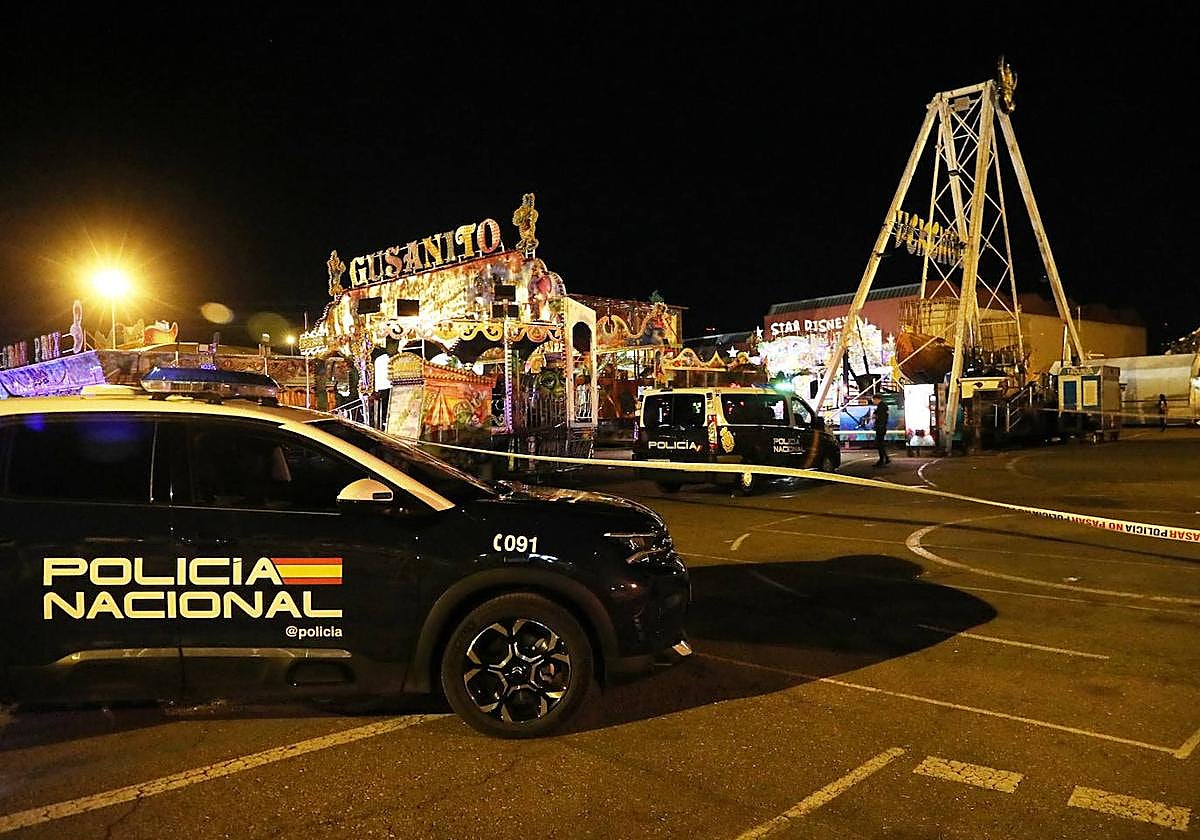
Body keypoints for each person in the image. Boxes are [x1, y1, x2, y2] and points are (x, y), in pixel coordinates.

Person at [871, 394, 891, 466]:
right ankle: (885, 458)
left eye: (873, 400)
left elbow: (880, 418)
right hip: (881, 427)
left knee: (879, 444)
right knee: (880, 444)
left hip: (880, 428)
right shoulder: (882, 406)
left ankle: (882, 459)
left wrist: (877, 425)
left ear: (876, 399)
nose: (873, 401)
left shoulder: (881, 407)